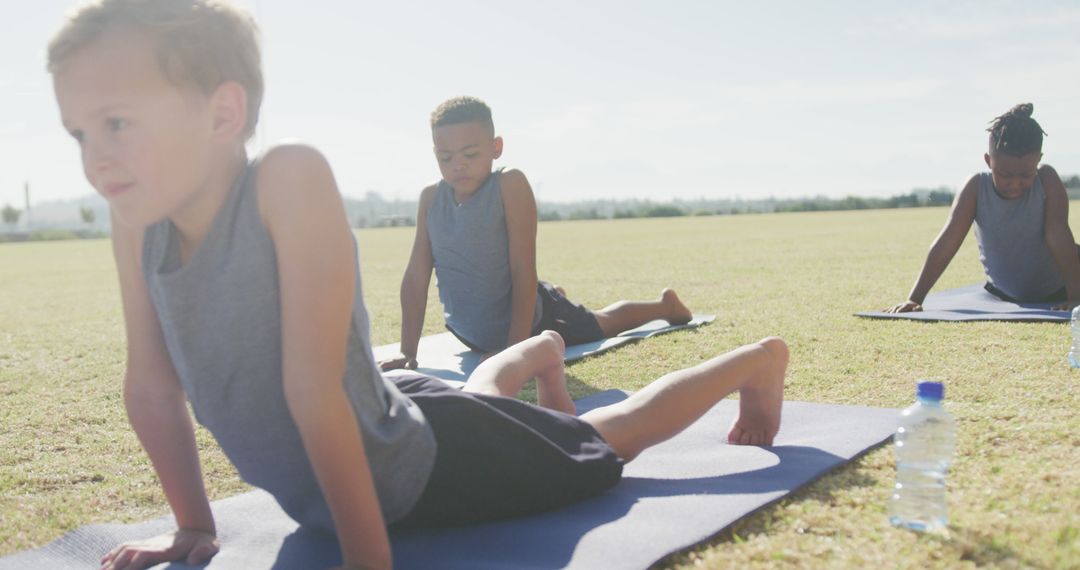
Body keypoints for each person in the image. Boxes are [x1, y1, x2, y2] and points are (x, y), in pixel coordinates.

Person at [48, 2, 787, 569]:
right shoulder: (135, 219)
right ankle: (541, 353)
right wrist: (192, 527)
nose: (95, 159)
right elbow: (149, 385)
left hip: (422, 470)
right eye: (79, 133)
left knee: (608, 439)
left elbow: (315, 390)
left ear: (222, 111)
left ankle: (756, 361)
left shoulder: (286, 178)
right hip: (397, 418)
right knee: (482, 406)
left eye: (116, 122)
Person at [378, 96, 694, 371]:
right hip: (473, 332)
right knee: (552, 300)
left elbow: (522, 267)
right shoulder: (431, 198)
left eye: (470, 155)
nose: (458, 165)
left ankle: (664, 306)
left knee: (602, 324)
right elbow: (416, 276)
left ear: (495, 147)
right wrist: (408, 351)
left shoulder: (509, 185)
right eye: (446, 158)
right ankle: (555, 294)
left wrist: (515, 350)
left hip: (535, 322)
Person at [886, 103, 1080, 313]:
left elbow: (1058, 235)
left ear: (1038, 161)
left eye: (1025, 175)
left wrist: (1076, 298)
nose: (1015, 184)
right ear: (988, 161)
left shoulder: (1047, 179)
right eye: (1005, 175)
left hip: (1062, 286)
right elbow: (947, 242)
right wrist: (915, 299)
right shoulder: (976, 188)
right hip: (1004, 292)